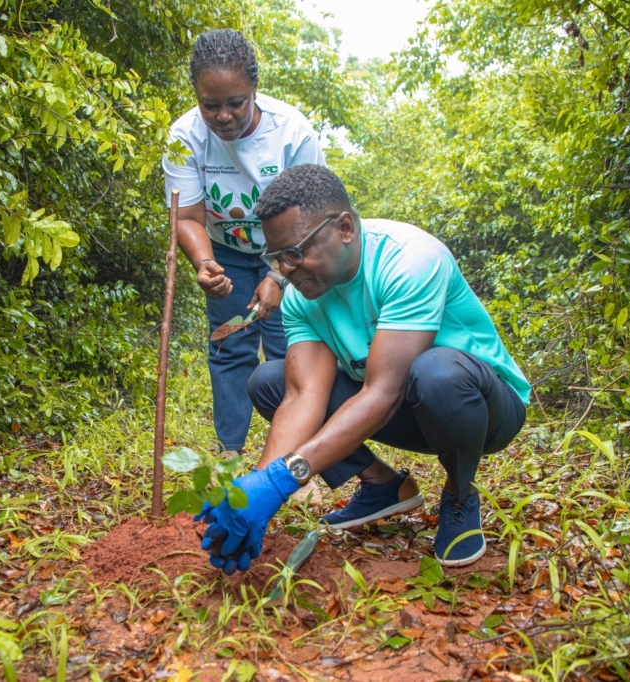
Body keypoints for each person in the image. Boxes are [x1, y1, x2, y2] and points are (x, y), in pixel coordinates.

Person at [197, 165, 530, 573]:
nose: (285, 269)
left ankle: (459, 495)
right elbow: (304, 396)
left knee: (436, 372)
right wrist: (257, 493)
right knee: (270, 381)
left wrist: (287, 478)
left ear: (345, 228)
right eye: (276, 257)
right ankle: (383, 485)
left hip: (479, 407)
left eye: (296, 253)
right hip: (402, 408)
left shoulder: (410, 260)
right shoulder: (303, 295)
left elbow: (383, 392)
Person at [162, 29, 326, 465]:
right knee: (229, 347)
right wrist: (205, 264)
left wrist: (277, 275)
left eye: (236, 102)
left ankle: (291, 461)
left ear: (254, 88)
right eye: (210, 105)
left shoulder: (292, 133)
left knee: (290, 350)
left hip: (291, 252)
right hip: (225, 252)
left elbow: (312, 223)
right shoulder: (183, 137)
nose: (223, 116)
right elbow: (188, 216)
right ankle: (229, 457)